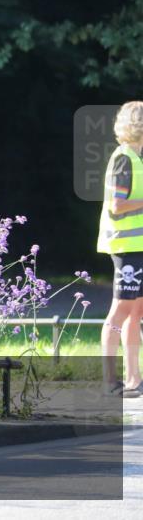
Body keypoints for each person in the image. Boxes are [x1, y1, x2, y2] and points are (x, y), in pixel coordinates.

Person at [97, 101, 143, 398]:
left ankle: (134, 380)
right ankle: (110, 381)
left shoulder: (136, 157)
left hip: (138, 246)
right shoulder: (124, 158)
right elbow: (117, 205)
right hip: (126, 246)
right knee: (120, 312)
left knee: (136, 312)